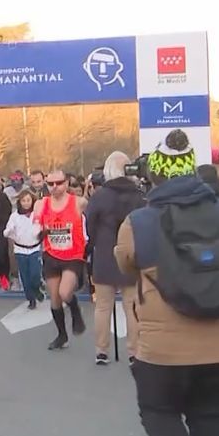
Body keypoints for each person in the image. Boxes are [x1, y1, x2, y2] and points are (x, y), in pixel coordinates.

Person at [115, 130, 219, 436]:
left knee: (157, 409)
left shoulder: (139, 221)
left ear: (153, 176)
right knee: (209, 413)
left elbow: (126, 263)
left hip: (166, 344)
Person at [85, 152, 145, 365]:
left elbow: (89, 225)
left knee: (102, 306)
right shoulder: (138, 196)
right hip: (130, 254)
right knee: (132, 305)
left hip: (104, 253)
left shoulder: (99, 196)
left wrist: (95, 242)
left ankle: (101, 351)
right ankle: (134, 351)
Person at [32, 169, 88, 351]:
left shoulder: (79, 202)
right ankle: (61, 335)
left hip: (73, 256)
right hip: (52, 255)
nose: (54, 187)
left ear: (66, 183)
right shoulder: (42, 204)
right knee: (55, 298)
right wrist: (38, 230)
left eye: (59, 183)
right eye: (50, 184)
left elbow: (97, 215)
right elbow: (35, 227)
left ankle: (74, 308)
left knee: (65, 293)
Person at [3, 189, 45, 309]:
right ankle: (31, 299)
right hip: (20, 250)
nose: (26, 203)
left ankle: (37, 288)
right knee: (25, 277)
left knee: (35, 274)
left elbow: (41, 227)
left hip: (34, 249)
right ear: (19, 202)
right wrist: (9, 232)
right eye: (23, 201)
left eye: (28, 200)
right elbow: (7, 230)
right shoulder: (15, 216)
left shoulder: (36, 214)